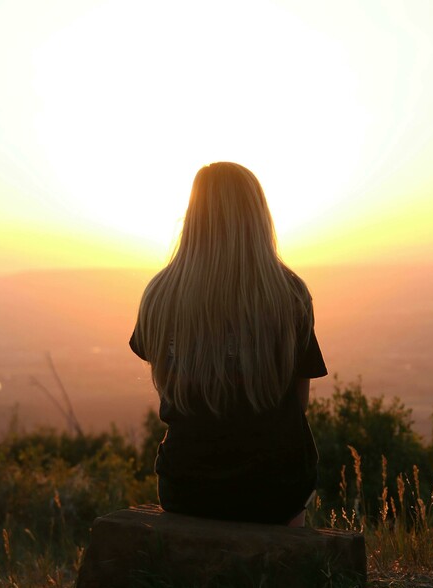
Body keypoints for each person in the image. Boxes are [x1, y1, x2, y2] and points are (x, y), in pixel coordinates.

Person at [129, 161, 327, 526]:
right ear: (258, 218)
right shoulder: (291, 295)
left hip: (186, 486)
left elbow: (167, 386)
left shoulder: (159, 294)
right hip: (276, 488)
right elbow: (299, 405)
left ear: (192, 216)